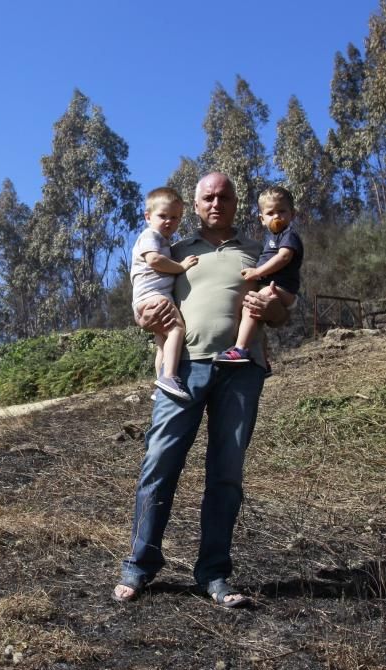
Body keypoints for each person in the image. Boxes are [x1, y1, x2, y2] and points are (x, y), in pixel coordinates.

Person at [112, 173, 288, 608]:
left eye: (224, 197)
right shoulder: (174, 247)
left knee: (226, 474)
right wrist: (143, 316)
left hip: (241, 370)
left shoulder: (260, 250)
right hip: (183, 370)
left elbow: (284, 308)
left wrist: (274, 308)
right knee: (159, 462)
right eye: (207, 197)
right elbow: (148, 293)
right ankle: (139, 566)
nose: (216, 203)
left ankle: (214, 574)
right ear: (195, 205)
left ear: (235, 203)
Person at [214, 185, 303, 364]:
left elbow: (284, 257)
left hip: (280, 288)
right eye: (271, 213)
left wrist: (258, 272)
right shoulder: (271, 238)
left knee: (251, 306)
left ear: (292, 214)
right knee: (256, 318)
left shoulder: (288, 234)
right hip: (276, 287)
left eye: (282, 211)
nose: (277, 216)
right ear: (262, 219)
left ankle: (240, 349)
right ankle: (265, 360)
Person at [130, 187, 198, 399]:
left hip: (147, 298)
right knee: (177, 329)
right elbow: (154, 260)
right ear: (148, 217)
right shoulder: (151, 236)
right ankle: (169, 376)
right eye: (163, 216)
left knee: (162, 343)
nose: (169, 221)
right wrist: (182, 266)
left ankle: (160, 385)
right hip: (153, 296)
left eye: (175, 218)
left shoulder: (164, 241)